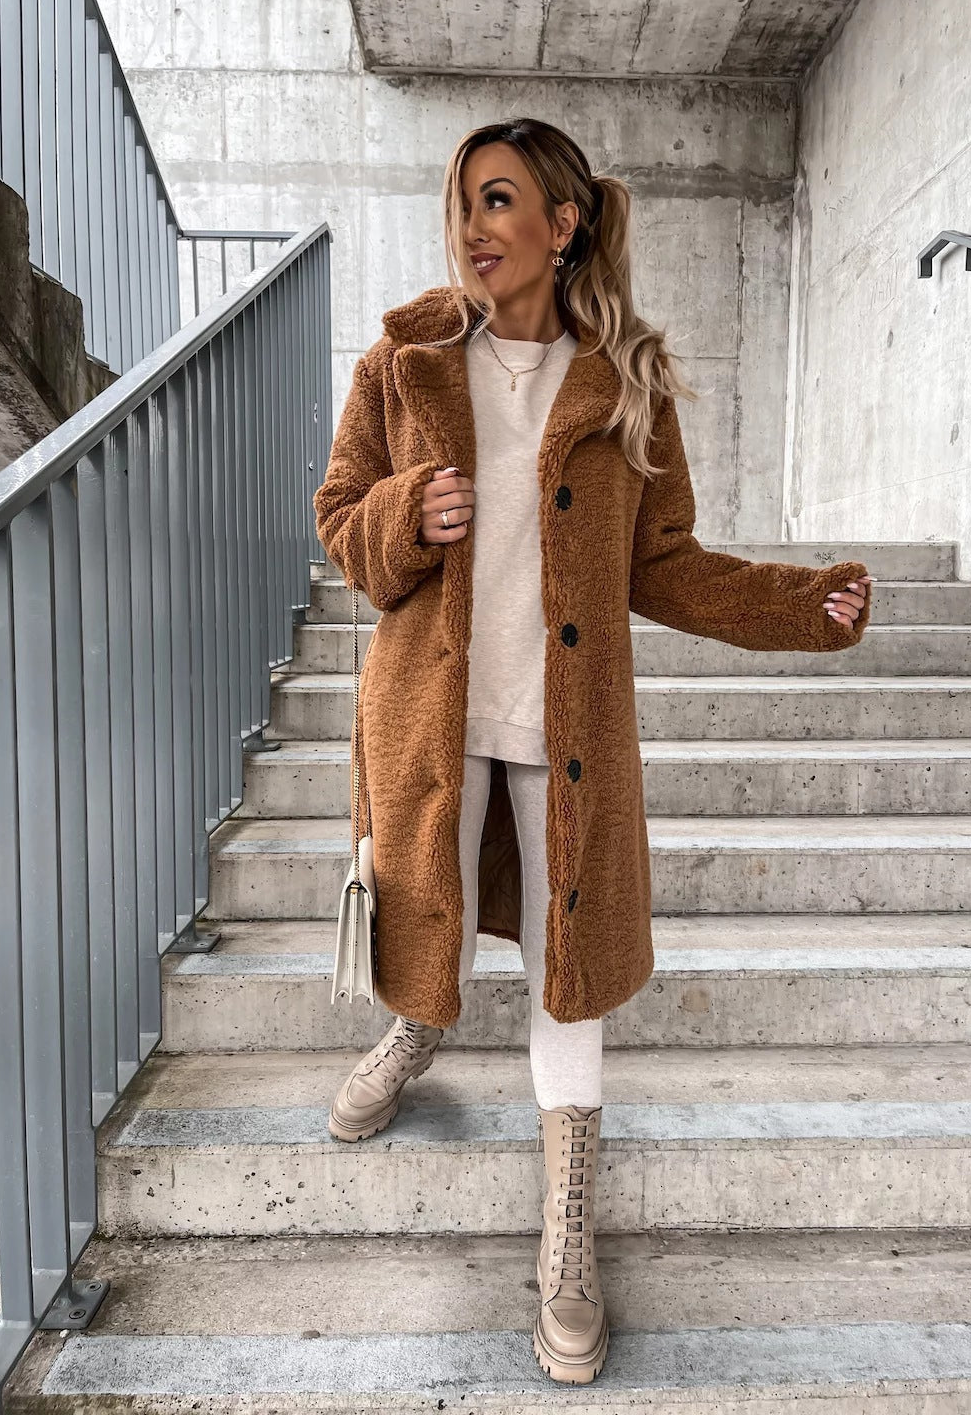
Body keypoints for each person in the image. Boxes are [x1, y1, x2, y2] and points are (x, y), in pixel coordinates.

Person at [313, 117, 871, 1387]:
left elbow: (664, 565)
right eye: (462, 201)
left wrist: (802, 606)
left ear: (562, 225)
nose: (471, 227)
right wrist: (407, 515)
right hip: (430, 716)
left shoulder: (626, 384)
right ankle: (414, 1034)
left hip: (565, 732)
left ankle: (568, 1228)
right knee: (428, 917)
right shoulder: (402, 364)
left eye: (498, 200)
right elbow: (341, 520)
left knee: (568, 971)